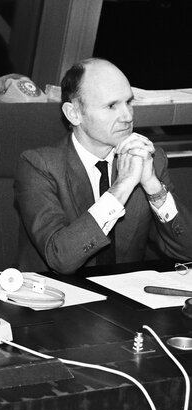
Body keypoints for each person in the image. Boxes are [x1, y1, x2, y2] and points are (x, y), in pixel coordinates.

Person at [14, 58, 192, 274]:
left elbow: (187, 251)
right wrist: (122, 187)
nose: (127, 116)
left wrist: (154, 188)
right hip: (57, 297)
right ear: (74, 113)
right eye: (111, 106)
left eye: (128, 102)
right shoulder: (39, 166)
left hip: (125, 297)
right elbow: (60, 258)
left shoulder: (149, 159)